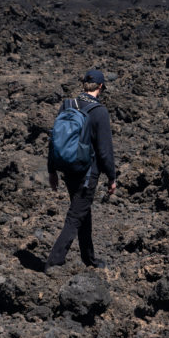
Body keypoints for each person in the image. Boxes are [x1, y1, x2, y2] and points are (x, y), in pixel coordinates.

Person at [45, 69, 117, 271]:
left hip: (68, 168)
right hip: (87, 173)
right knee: (75, 216)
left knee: (82, 212)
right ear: (101, 87)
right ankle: (53, 261)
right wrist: (112, 177)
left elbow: (54, 141)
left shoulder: (68, 105)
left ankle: (89, 258)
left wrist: (52, 171)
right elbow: (105, 151)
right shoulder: (99, 112)